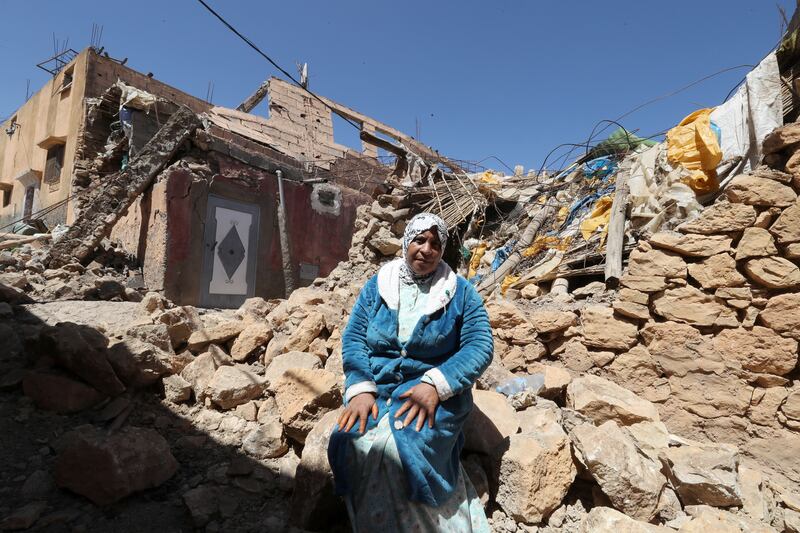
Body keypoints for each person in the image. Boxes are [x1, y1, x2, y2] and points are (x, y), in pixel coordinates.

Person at [328, 212, 493, 532]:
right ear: (406, 243)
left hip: (435, 395)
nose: (426, 249)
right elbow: (354, 338)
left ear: (443, 249)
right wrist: (360, 388)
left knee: (401, 449)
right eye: (419, 239)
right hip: (380, 389)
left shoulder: (460, 293)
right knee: (351, 440)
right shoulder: (378, 286)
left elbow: (480, 346)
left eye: (435, 243)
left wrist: (436, 385)